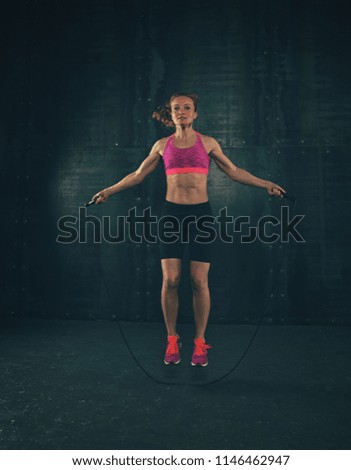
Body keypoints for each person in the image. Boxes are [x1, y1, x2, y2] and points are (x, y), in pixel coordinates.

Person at [91, 91, 285, 367]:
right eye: (176, 108)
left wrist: (266, 183)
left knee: (198, 282)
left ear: (195, 113)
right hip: (172, 216)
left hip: (200, 217)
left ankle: (199, 342)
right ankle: (172, 339)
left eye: (187, 108)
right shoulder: (161, 145)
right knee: (170, 281)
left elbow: (234, 171)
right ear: (171, 115)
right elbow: (137, 175)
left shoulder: (208, 143)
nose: (181, 111)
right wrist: (108, 190)